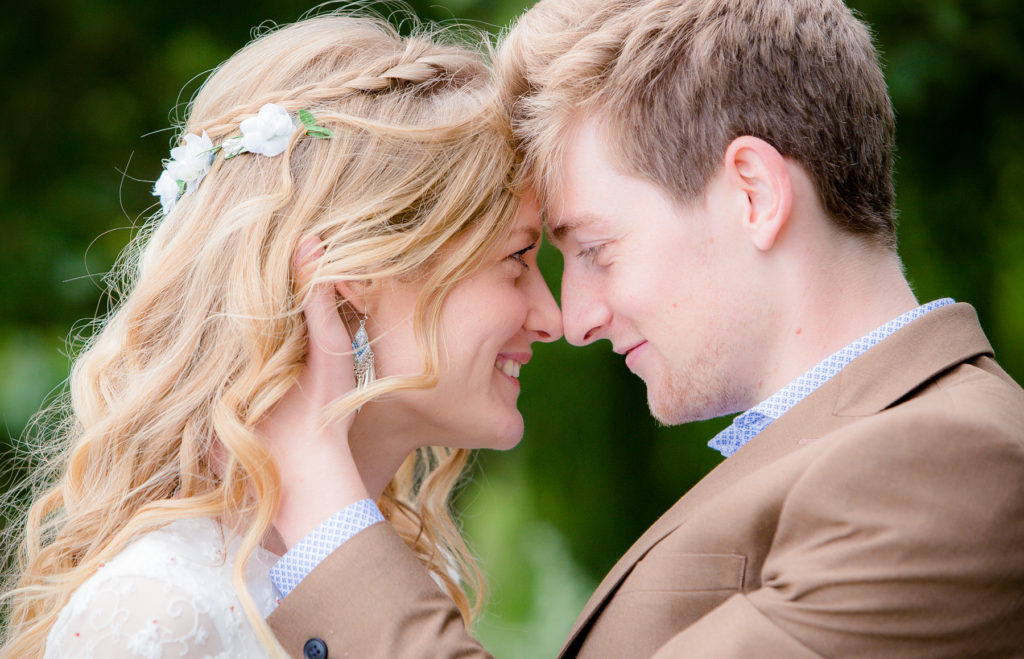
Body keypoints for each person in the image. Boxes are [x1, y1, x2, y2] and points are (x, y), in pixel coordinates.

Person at [263, 0, 1024, 657]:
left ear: (753, 194)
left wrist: (324, 501)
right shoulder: (855, 451)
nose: (578, 317)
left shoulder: (953, 463)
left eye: (595, 249)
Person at [0, 12, 562, 659]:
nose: (554, 317)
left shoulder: (400, 582)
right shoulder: (163, 611)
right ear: (352, 275)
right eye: (518, 258)